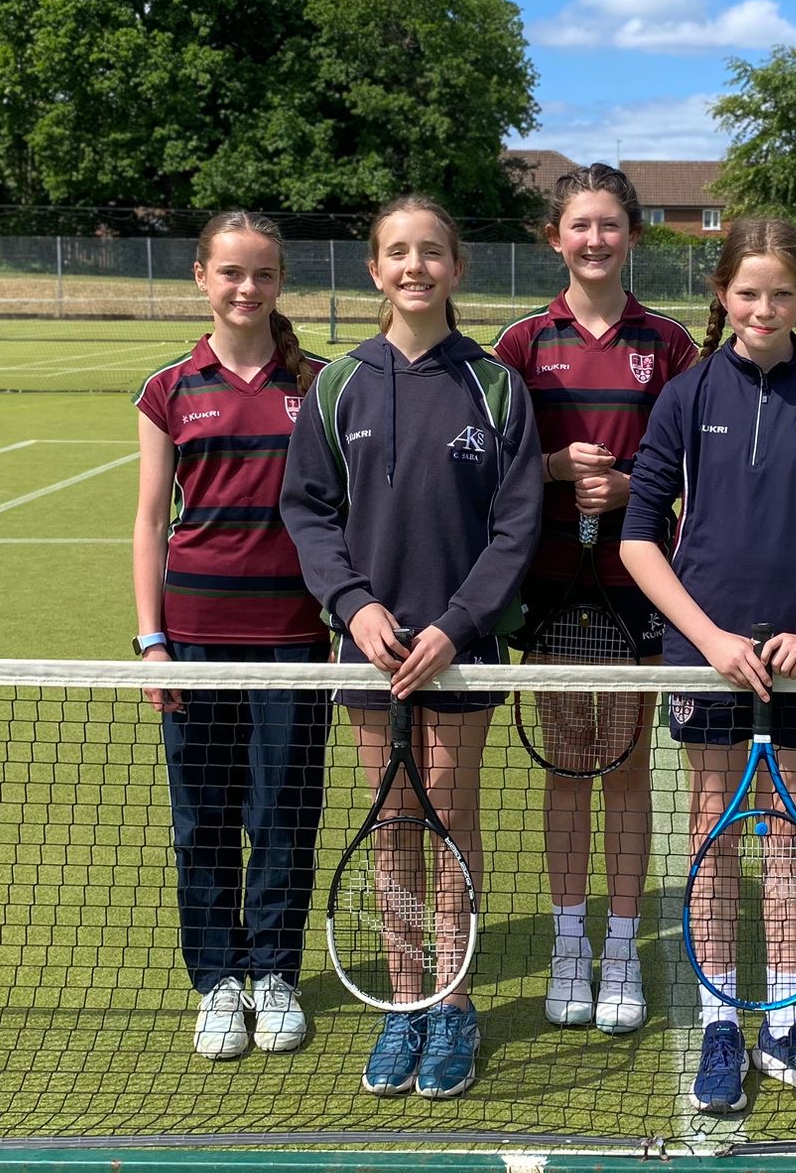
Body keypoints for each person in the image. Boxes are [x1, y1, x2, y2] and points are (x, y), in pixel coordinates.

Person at [620, 216, 796, 1114]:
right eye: (748, 292)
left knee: (789, 837)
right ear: (722, 296)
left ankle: (784, 1021)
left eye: (781, 293)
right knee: (716, 833)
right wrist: (708, 639)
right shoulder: (686, 397)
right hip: (708, 660)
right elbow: (638, 540)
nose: (764, 308)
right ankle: (719, 1024)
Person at [280, 194, 542, 1103]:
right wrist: (353, 609)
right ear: (374, 269)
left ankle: (455, 1002)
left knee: (450, 817)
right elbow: (308, 512)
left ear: (456, 268)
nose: (415, 267)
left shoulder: (496, 385)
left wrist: (456, 625)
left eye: (432, 252)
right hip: (368, 652)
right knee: (391, 825)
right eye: (398, 252)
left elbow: (517, 526)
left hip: (459, 651)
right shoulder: (338, 383)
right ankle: (405, 1001)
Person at [495, 164, 697, 1035]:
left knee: (622, 765)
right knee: (569, 764)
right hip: (548, 590)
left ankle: (622, 947)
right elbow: (492, 471)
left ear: (632, 236)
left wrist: (630, 493)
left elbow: (702, 468)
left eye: (610, 225)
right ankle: (569, 941)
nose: (594, 240)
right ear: (556, 237)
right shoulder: (520, 345)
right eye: (579, 225)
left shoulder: (673, 345)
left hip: (640, 593)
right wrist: (549, 469)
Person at [132, 209, 331, 1061]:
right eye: (230, 273)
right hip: (196, 637)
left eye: (262, 275)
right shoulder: (169, 389)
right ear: (201, 278)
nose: (245, 289)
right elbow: (149, 522)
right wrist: (152, 641)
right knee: (202, 820)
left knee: (283, 814)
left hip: (294, 639)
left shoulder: (322, 384)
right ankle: (217, 982)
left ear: (279, 283)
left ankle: (274, 975)